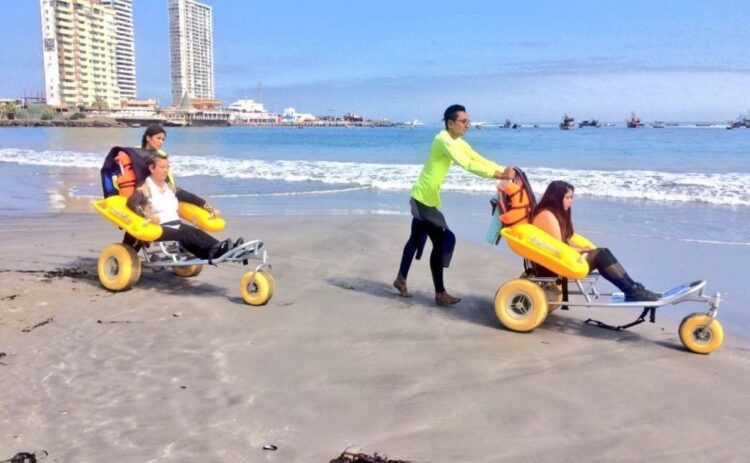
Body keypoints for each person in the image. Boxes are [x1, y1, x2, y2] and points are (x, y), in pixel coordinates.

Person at [394, 104, 515, 306]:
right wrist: (500, 175)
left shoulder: (456, 141)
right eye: (464, 121)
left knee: (415, 240)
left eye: (469, 121)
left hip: (425, 198)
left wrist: (503, 169)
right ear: (451, 123)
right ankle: (439, 293)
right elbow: (467, 164)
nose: (468, 125)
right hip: (423, 200)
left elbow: (476, 158)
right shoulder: (443, 140)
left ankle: (401, 279)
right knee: (443, 240)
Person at [531, 180, 660, 301]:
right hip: (552, 265)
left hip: (559, 260)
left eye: (571, 197)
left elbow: (566, 240)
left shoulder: (554, 214)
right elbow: (559, 248)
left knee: (603, 251)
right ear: (556, 198)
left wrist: (583, 249)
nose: (571, 201)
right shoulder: (547, 216)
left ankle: (633, 288)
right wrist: (582, 250)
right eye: (568, 198)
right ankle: (632, 291)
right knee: (601, 255)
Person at [126, 154, 240, 260]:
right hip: (159, 228)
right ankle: (215, 252)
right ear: (152, 168)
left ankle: (223, 248)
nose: (166, 170)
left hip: (176, 225)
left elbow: (191, 197)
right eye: (162, 167)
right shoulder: (144, 187)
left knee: (195, 232)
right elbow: (132, 203)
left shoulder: (169, 187)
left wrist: (211, 209)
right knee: (185, 234)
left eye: (167, 167)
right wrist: (148, 216)